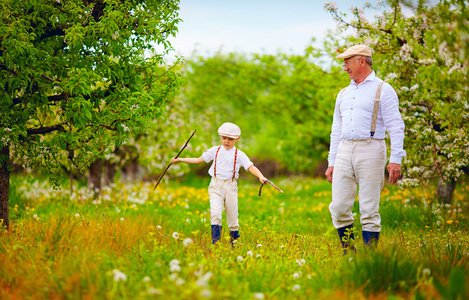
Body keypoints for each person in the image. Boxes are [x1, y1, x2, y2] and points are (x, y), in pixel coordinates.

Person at [325, 45, 406, 253]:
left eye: (347, 63)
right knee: (340, 206)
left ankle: (370, 256)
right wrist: (331, 161)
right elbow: (336, 128)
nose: (345, 68)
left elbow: (395, 126)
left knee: (369, 208)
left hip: (371, 149)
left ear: (362, 61)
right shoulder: (343, 93)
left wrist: (396, 159)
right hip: (344, 149)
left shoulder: (383, 89)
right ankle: (348, 251)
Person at [171, 122, 267, 245]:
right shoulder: (214, 150)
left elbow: (250, 166)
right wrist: (179, 159)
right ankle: (216, 243)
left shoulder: (239, 154)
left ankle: (234, 243)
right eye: (224, 138)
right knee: (215, 212)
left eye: (230, 139)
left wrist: (260, 176)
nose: (226, 141)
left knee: (232, 216)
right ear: (220, 137)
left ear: (237, 139)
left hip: (230, 186)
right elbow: (198, 159)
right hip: (215, 185)